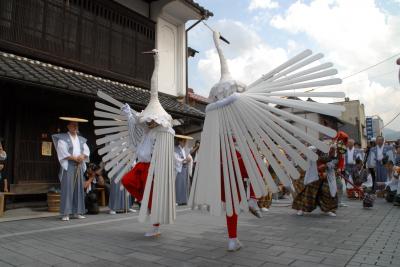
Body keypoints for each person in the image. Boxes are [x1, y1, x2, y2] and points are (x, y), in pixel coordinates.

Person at [52, 118, 90, 221]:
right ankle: (66, 213)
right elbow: (63, 152)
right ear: (68, 126)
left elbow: (86, 151)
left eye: (77, 125)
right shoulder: (63, 138)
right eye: (73, 125)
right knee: (68, 189)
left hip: (79, 165)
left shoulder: (81, 139)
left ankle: (77, 212)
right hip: (69, 165)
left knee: (78, 189)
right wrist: (75, 158)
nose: (75, 127)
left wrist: (82, 156)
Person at [292, 146, 338, 217]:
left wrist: (326, 165)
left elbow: (334, 162)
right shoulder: (312, 149)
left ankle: (329, 209)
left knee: (327, 191)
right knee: (307, 191)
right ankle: (301, 209)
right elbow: (308, 157)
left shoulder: (330, 149)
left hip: (325, 175)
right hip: (312, 174)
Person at [174, 135, 192, 206]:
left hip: (185, 168)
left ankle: (184, 200)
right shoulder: (175, 149)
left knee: (185, 184)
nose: (185, 143)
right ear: (180, 141)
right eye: (183, 141)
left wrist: (189, 159)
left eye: (185, 141)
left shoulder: (185, 149)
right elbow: (176, 159)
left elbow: (189, 157)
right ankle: (178, 200)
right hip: (179, 168)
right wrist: (184, 160)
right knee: (179, 184)